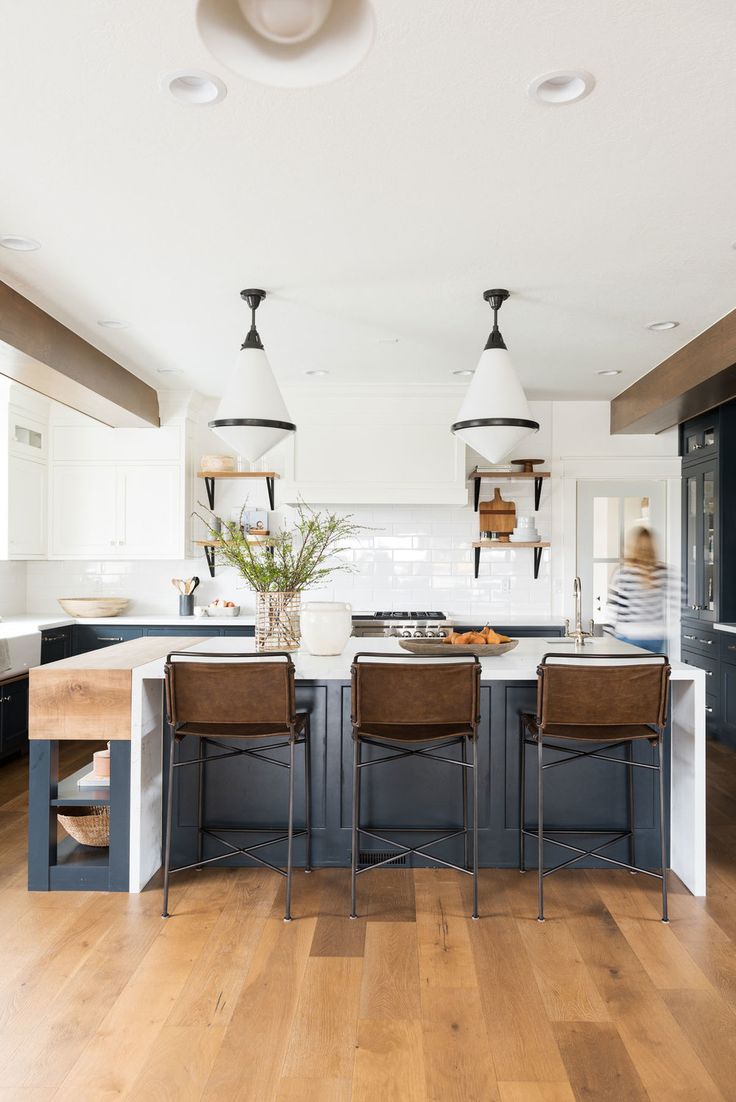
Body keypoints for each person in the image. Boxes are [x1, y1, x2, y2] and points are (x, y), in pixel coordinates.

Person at [607, 527, 675, 654]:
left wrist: (609, 638)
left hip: (629, 635)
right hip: (656, 637)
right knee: (653, 672)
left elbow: (612, 609)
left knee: (629, 673)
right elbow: (676, 604)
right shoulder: (664, 571)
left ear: (632, 546)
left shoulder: (623, 572)